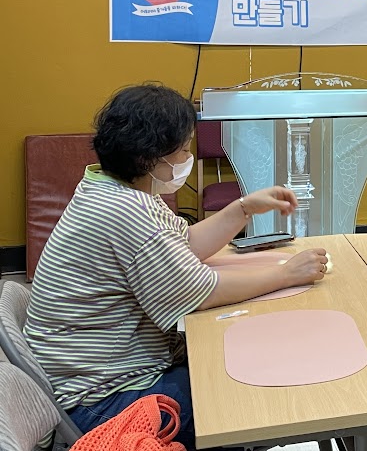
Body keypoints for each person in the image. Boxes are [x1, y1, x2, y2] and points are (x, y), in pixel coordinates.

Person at [24, 84, 329, 450]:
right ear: (149, 157)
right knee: (248, 391)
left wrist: (243, 208)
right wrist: (286, 274)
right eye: (183, 149)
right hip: (102, 403)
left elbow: (185, 244)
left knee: (236, 358)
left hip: (91, 382)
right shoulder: (127, 212)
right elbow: (200, 293)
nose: (188, 156)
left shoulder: (109, 188)